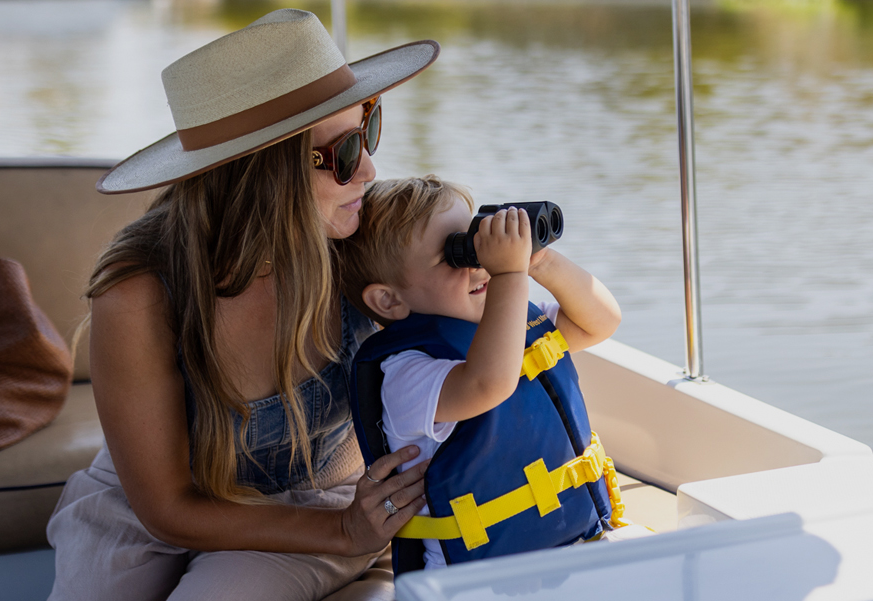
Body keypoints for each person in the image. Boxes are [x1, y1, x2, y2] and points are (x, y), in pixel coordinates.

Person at [46, 10, 439, 601]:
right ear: (263, 174)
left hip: (320, 499)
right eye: (344, 151)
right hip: (151, 511)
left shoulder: (367, 248)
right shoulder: (140, 291)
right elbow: (166, 506)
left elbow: (517, 334)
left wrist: (521, 261)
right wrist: (342, 530)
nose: (369, 170)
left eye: (369, 128)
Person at [332, 176, 633, 573]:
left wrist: (537, 260)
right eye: (456, 255)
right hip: (471, 582)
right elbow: (489, 383)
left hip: (572, 546)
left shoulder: (506, 317)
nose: (479, 263)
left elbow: (601, 322)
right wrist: (509, 276)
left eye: (474, 241)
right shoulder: (405, 374)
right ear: (389, 299)